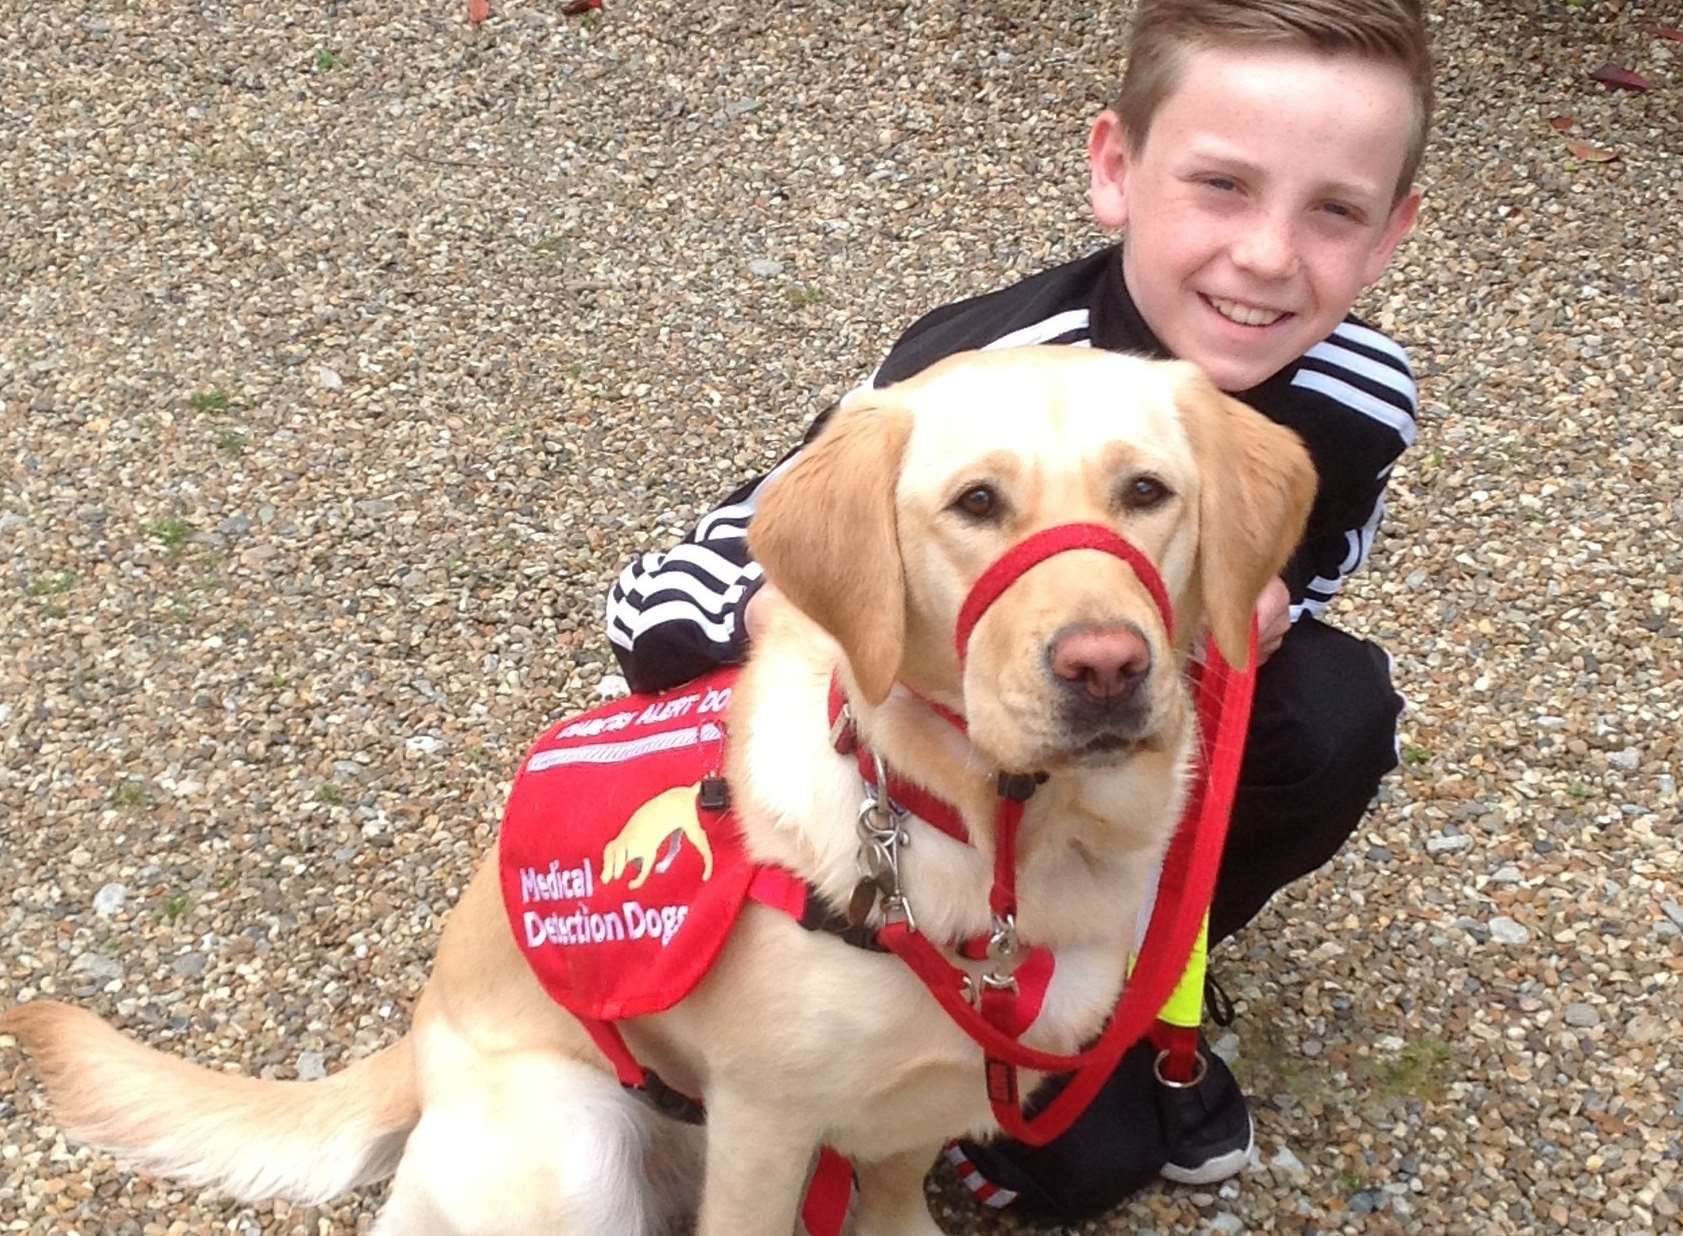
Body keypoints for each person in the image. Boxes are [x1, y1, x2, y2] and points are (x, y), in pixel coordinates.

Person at [601, 0, 1433, 1219]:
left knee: (1330, 710)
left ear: (1390, 234)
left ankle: (1118, 971)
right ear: (1115, 169)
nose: (1265, 257)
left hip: (1105, 736)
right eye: (1221, 186)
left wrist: (1254, 606)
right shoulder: (965, 377)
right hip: (875, 748)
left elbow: (1313, 559)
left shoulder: (1362, 398)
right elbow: (670, 598)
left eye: (1333, 210)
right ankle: (917, 993)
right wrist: (835, 667)